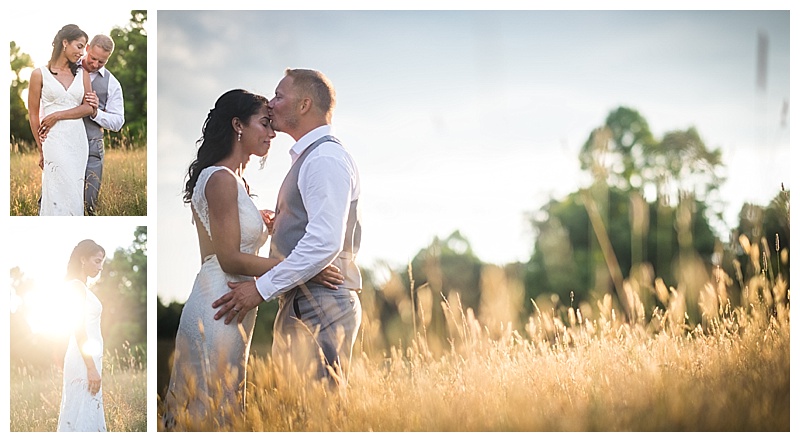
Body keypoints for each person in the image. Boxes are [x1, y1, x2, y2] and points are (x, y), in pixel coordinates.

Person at [162, 89, 343, 430]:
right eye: (264, 123)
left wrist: (261, 224)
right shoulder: (219, 179)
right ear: (237, 125)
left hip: (232, 302)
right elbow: (228, 258)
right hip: (220, 304)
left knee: (223, 405)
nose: (272, 133)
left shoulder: (235, 182)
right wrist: (306, 270)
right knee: (213, 408)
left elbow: (227, 242)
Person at [213, 69, 363, 387]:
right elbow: (310, 226)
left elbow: (324, 242)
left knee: (321, 414)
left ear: (304, 104)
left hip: (321, 301)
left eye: (280, 96)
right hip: (305, 301)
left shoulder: (325, 158)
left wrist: (260, 288)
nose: (271, 103)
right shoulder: (311, 157)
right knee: (298, 414)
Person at [28, 24, 96, 216]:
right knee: (57, 190)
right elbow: (33, 114)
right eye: (79, 46)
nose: (82, 53)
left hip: (77, 141)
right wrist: (41, 148)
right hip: (53, 140)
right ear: (65, 43)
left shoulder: (82, 74)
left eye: (84, 48)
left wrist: (57, 115)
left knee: (74, 191)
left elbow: (88, 107)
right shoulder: (39, 74)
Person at [57, 239, 107, 432]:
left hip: (87, 358)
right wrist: (91, 368)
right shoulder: (76, 287)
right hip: (82, 361)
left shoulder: (81, 288)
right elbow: (78, 328)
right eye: (97, 261)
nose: (100, 267)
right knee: (83, 407)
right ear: (83, 259)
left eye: (102, 262)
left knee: (86, 408)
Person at [79, 34, 126, 215]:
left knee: (89, 202)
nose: (96, 64)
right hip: (64, 141)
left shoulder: (112, 84)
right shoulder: (67, 69)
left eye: (102, 61)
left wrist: (96, 112)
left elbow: (117, 122)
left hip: (93, 146)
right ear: (88, 48)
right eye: (93, 58)